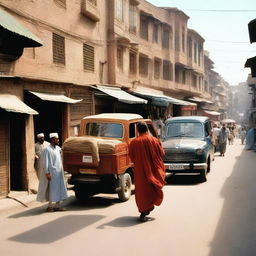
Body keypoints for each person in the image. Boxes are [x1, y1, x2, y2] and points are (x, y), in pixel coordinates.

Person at [129, 122, 166, 222]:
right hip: (153, 170)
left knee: (142, 190)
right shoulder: (154, 140)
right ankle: (148, 208)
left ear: (138, 130)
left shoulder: (134, 142)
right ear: (147, 129)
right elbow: (162, 153)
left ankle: (143, 211)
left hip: (140, 171)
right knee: (152, 187)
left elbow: (132, 157)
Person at [37, 132, 68, 212]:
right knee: (51, 190)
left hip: (59, 173)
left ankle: (58, 206)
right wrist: (47, 173)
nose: (58, 140)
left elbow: (63, 152)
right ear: (53, 139)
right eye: (57, 139)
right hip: (52, 173)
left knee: (59, 189)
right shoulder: (47, 150)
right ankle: (50, 206)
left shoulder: (58, 148)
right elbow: (45, 162)